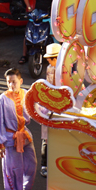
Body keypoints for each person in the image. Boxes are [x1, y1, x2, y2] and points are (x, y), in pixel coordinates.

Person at [0, 68, 37, 190]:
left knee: (32, 164)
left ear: (21, 81)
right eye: (9, 82)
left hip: (24, 134)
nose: (12, 85)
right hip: (10, 138)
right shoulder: (1, 100)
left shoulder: (26, 94)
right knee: (12, 169)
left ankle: (25, 189)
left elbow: (36, 109)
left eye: (14, 82)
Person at [19, 0, 55, 65]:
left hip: (49, 15)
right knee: (28, 34)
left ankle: (56, 56)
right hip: (37, 14)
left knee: (53, 35)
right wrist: (29, 7)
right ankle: (24, 55)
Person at [41, 43, 60, 177]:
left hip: (61, 109)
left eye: (51, 58)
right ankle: (44, 165)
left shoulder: (66, 70)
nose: (48, 60)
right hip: (49, 107)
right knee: (46, 139)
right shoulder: (49, 68)